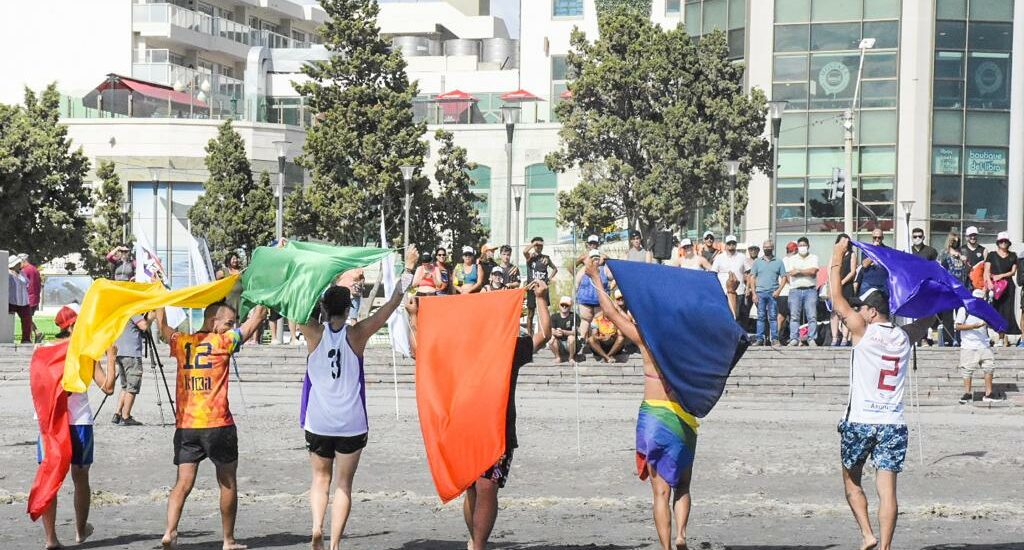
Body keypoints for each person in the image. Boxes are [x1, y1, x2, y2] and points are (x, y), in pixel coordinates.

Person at [293, 247, 416, 550]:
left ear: (323, 307)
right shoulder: (357, 334)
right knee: (343, 485)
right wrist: (409, 269)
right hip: (350, 423)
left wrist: (295, 264)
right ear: (348, 309)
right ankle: (334, 544)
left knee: (320, 480)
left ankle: (316, 527)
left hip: (318, 421)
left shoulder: (312, 333)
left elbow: (290, 303)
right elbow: (393, 303)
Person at [583, 258, 697, 550]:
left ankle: (667, 547)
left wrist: (596, 276)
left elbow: (609, 311)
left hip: (654, 416)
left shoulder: (647, 339)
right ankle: (682, 535)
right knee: (682, 484)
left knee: (660, 493)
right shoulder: (687, 340)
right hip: (683, 417)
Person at [828, 236, 931, 550]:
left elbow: (835, 296)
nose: (858, 310)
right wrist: (925, 284)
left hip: (861, 419)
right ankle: (884, 547)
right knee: (889, 492)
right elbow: (927, 318)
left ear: (872, 311)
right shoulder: (905, 336)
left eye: (863, 307)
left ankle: (867, 534)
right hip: (892, 423)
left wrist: (837, 255)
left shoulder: (862, 330)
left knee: (851, 481)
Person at [154, 300, 269, 550]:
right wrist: (263, 300)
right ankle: (228, 540)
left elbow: (162, 327)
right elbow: (255, 321)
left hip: (186, 425)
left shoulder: (183, 342)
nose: (230, 327)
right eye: (227, 323)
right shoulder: (224, 342)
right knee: (227, 482)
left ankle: (169, 531)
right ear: (212, 321)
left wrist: (158, 302)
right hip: (218, 424)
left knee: (182, 483)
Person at [35, 304, 117, 549]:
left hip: (50, 422)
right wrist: (111, 357)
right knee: (81, 478)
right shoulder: (86, 352)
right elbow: (108, 387)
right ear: (72, 326)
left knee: (51, 477)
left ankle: (51, 539)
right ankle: (80, 532)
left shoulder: (44, 350)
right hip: (79, 422)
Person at [955, 290, 1001, 404]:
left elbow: (990, 325)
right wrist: (973, 326)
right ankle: (967, 394)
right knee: (967, 370)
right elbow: (957, 326)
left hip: (984, 344)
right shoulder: (964, 309)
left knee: (989, 367)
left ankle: (989, 394)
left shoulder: (985, 310)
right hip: (969, 345)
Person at [111, 313, 151, 426]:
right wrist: (150, 318)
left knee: (125, 386)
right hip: (131, 354)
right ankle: (126, 416)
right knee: (133, 386)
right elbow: (144, 326)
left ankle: (117, 413)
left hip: (121, 353)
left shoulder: (121, 312)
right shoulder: (133, 311)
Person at [983, 232, 1020, 346]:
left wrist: (1001, 275)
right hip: (995, 286)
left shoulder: (1013, 255)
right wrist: (989, 283)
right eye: (1001, 241)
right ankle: (997, 337)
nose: (1003, 243)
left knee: (1007, 312)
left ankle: (1002, 338)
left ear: (1008, 243)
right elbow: (986, 271)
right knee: (995, 311)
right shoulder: (992, 255)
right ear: (998, 243)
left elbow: (1013, 272)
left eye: (1005, 241)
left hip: (1008, 286)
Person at [749, 240, 786, 346]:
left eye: (769, 247)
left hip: (772, 293)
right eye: (765, 247)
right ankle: (760, 339)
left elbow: (784, 277)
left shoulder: (778, 262)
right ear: (763, 248)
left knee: (773, 317)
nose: (767, 249)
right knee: (760, 317)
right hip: (760, 293)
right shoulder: (757, 262)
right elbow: (752, 277)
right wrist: (754, 294)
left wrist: (779, 290)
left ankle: (774, 339)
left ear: (773, 247)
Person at [786, 237, 819, 347]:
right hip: (795, 290)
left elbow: (813, 271)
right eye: (800, 245)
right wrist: (807, 271)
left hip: (810, 289)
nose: (802, 247)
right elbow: (792, 273)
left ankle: (811, 338)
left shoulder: (814, 257)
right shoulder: (792, 259)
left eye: (804, 245)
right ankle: (794, 338)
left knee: (812, 316)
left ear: (808, 246)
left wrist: (799, 271)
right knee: (794, 316)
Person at [575, 249, 612, 346]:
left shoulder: (604, 269)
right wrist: (575, 296)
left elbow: (614, 276)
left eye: (597, 258)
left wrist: (608, 259)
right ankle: (582, 341)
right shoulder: (584, 269)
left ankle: (596, 342)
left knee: (598, 320)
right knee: (585, 320)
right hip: (584, 299)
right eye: (593, 258)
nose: (595, 260)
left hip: (599, 301)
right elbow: (576, 283)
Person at [523, 237, 558, 336]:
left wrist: (549, 278)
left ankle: (542, 335)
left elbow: (555, 269)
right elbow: (524, 251)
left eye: (540, 245)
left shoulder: (546, 258)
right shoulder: (530, 257)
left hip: (542, 289)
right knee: (530, 313)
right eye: (537, 245)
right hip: (532, 288)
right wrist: (534, 243)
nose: (539, 247)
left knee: (543, 312)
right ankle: (530, 336)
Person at [939, 233, 969, 347]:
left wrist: (964, 260)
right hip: (948, 287)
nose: (955, 243)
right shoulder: (944, 253)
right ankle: (948, 339)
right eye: (953, 241)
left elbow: (967, 270)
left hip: (961, 287)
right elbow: (941, 269)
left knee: (961, 313)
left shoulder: (963, 253)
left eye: (957, 241)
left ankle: (961, 338)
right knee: (947, 314)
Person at [830, 234, 857, 347]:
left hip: (846, 286)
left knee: (846, 310)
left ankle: (845, 338)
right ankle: (834, 337)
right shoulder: (835, 255)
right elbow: (830, 269)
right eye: (842, 241)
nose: (844, 243)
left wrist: (842, 282)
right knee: (835, 312)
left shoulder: (852, 254)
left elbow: (852, 271)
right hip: (835, 285)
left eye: (846, 241)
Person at [711, 235, 747, 320]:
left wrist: (748, 288)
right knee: (723, 316)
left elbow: (748, 273)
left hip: (739, 291)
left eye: (733, 244)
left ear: (736, 245)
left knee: (736, 316)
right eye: (729, 244)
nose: (731, 246)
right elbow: (713, 274)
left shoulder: (742, 257)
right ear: (725, 245)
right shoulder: (719, 257)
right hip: (723, 292)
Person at [588, 291, 627, 363]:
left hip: (613, 344)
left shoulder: (616, 318)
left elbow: (620, 334)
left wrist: (611, 336)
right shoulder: (597, 318)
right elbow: (594, 335)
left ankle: (607, 356)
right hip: (601, 344)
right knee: (590, 339)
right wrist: (603, 337)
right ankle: (607, 357)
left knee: (621, 338)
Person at [549, 296, 580, 363]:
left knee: (571, 338)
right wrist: (555, 333)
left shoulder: (575, 316)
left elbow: (574, 332)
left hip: (572, 344)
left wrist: (563, 332)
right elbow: (552, 330)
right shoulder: (554, 316)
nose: (564, 307)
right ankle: (557, 357)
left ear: (570, 306)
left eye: (566, 305)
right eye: (562, 305)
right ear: (559, 305)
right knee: (551, 339)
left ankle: (571, 358)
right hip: (559, 343)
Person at [9, 256, 32, 344]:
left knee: (27, 321)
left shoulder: (22, 273)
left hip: (24, 301)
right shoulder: (8, 273)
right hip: (12, 302)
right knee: (8, 321)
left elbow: (27, 283)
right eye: (18, 263)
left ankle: (26, 339)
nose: (20, 264)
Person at [858, 229, 890, 295]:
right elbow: (865, 264)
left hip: (882, 284)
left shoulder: (887, 250)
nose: (877, 239)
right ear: (872, 238)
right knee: (865, 304)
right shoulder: (866, 249)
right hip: (868, 283)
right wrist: (874, 250)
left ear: (883, 238)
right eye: (875, 237)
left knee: (882, 304)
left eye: (879, 237)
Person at [19, 254, 42, 342]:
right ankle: (34, 334)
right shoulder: (35, 269)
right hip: (35, 297)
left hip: (28, 298)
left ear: (23, 261)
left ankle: (35, 333)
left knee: (25, 318)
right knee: (28, 318)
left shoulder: (25, 270)